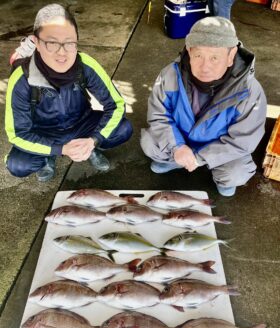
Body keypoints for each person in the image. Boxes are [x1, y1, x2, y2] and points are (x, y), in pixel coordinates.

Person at [140, 16, 267, 196]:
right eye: (198, 55)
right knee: (149, 143)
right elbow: (158, 115)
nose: (205, 67)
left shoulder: (250, 91)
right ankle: (174, 160)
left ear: (231, 56)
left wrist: (200, 158)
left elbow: (243, 141)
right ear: (189, 51)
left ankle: (215, 173)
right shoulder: (169, 75)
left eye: (215, 57)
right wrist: (177, 147)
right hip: (181, 139)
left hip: (220, 147)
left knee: (235, 174)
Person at [5, 4, 132, 182]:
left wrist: (93, 140)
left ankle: (89, 149)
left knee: (123, 129)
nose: (62, 53)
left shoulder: (85, 64)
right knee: (17, 165)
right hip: (43, 133)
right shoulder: (21, 79)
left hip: (81, 125)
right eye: (51, 43)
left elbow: (116, 104)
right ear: (36, 43)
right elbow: (17, 133)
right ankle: (47, 156)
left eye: (70, 43)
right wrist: (59, 149)